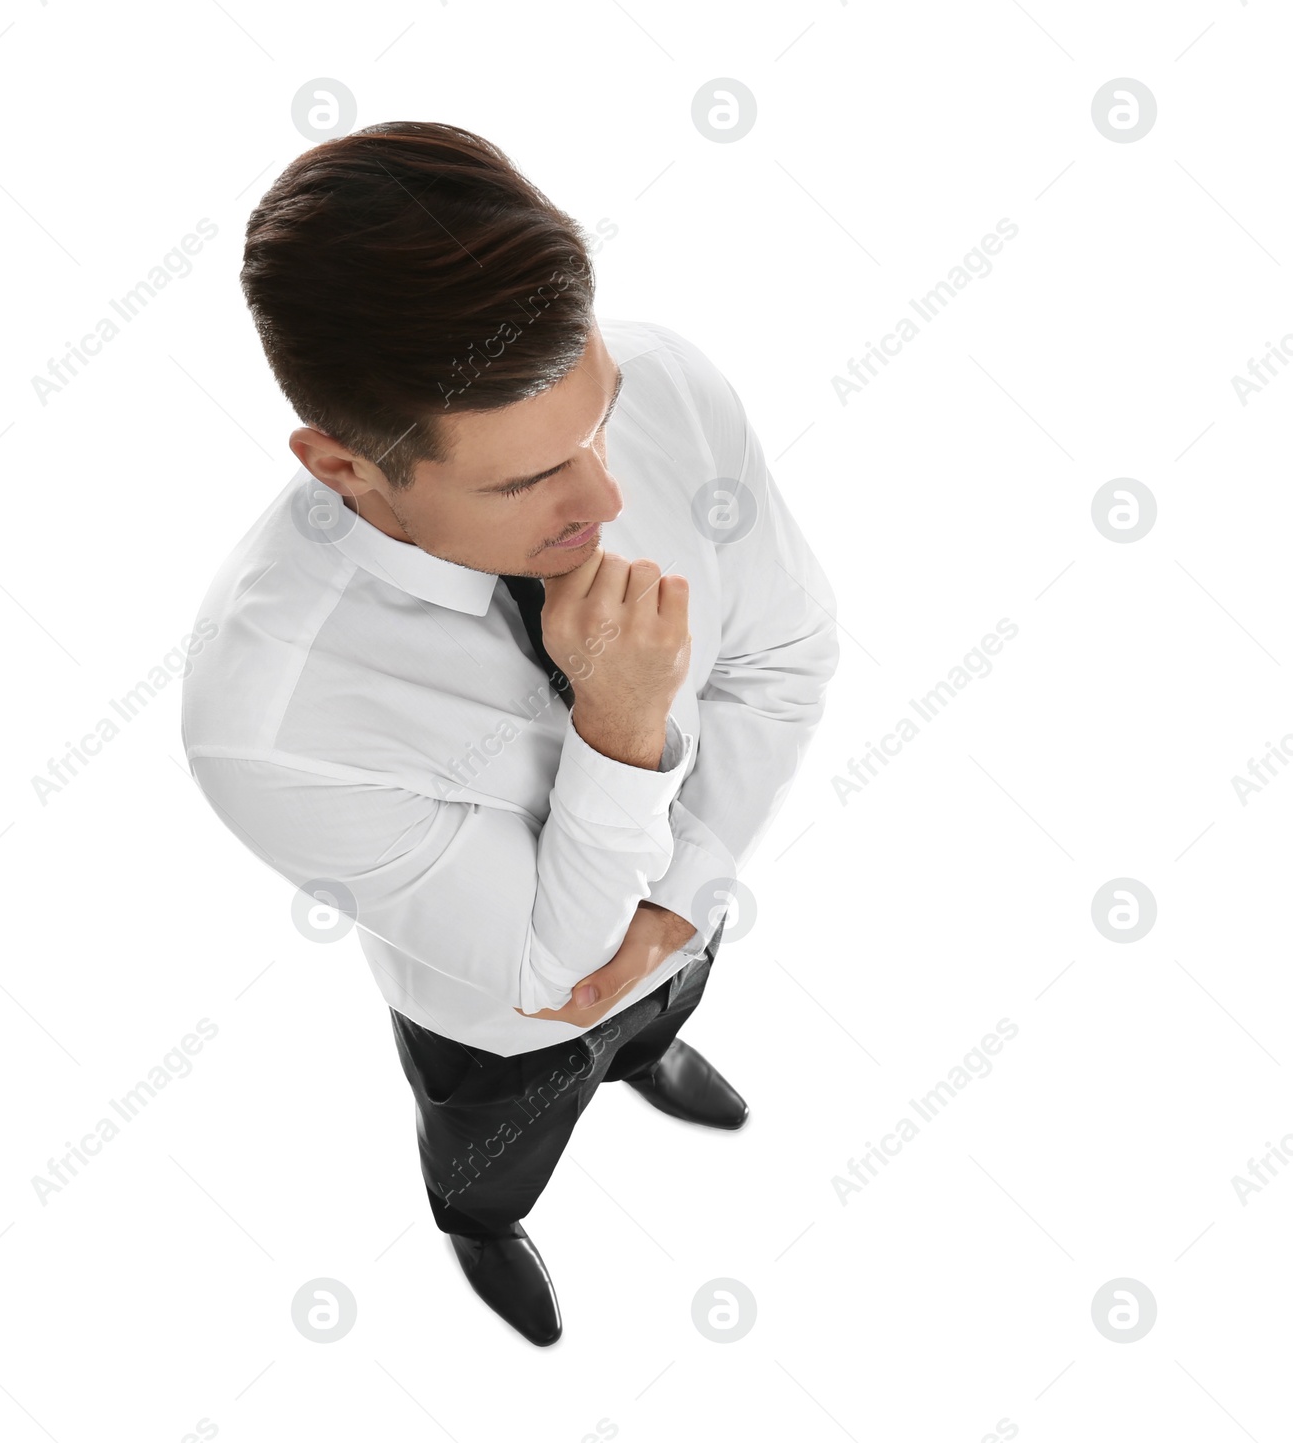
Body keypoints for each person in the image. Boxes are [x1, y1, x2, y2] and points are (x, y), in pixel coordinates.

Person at [180, 120, 840, 1346]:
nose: (606, 499)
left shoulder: (673, 382)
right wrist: (622, 722)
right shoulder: (265, 721)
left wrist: (683, 897)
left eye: (598, 421)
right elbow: (545, 975)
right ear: (345, 468)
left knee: (664, 999)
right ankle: (478, 1221)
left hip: (693, 908)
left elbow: (787, 658)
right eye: (522, 481)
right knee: (494, 1159)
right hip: (499, 1038)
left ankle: (651, 1052)